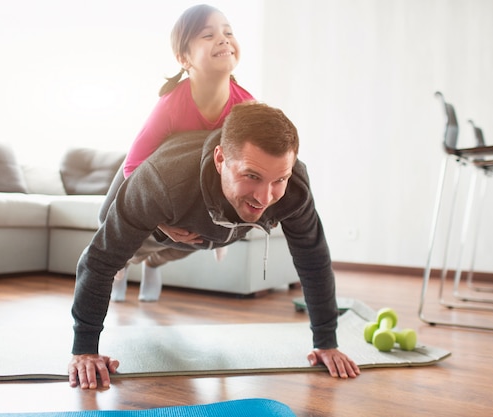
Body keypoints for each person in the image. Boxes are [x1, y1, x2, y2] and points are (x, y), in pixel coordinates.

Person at [68, 102, 361, 390]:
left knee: (179, 249)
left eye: (279, 179)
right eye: (252, 176)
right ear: (220, 160)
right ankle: (135, 264)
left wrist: (326, 342)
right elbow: (98, 261)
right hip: (159, 219)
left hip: (203, 234)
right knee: (121, 257)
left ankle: (155, 264)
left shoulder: (294, 190)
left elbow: (313, 257)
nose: (264, 197)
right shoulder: (162, 181)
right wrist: (84, 349)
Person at [106, 4, 255, 302]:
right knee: (106, 218)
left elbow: (248, 167)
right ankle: (116, 267)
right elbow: (134, 166)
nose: (224, 39)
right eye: (208, 35)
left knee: (197, 238)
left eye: (228, 32)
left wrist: (229, 215)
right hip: (149, 176)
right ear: (184, 58)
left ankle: (154, 265)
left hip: (195, 183)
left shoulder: (246, 108)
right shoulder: (172, 104)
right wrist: (159, 223)